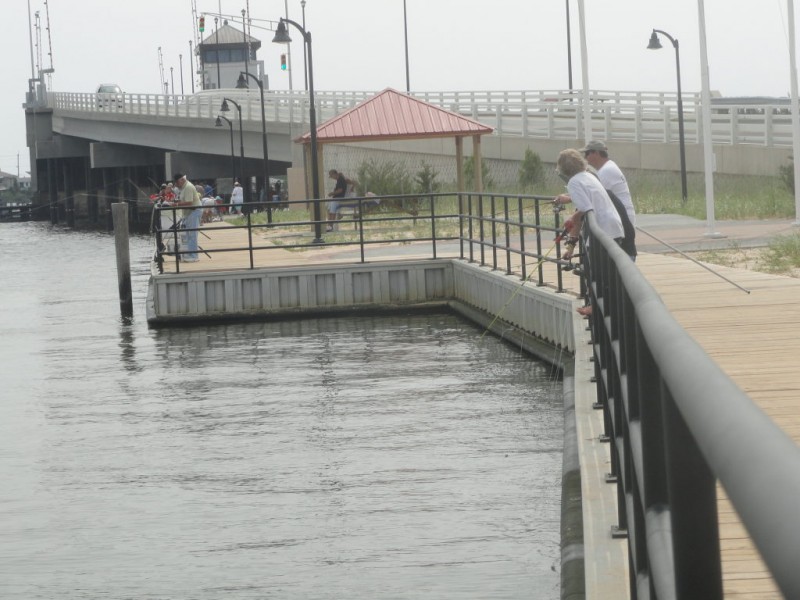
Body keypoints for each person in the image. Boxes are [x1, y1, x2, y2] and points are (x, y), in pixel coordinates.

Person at [554, 149, 624, 315]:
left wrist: (572, 218)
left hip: (602, 230)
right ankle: (605, 308)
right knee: (608, 273)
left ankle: (598, 308)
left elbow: (586, 208)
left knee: (597, 273)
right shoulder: (589, 176)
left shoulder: (574, 183)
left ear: (562, 169)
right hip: (614, 227)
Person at [173, 173, 202, 262]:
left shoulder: (188, 187)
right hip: (188, 213)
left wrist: (176, 204)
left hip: (194, 211)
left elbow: (189, 202)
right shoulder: (183, 187)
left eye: (177, 183)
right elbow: (185, 200)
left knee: (192, 234)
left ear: (181, 180)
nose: (177, 185)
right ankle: (190, 253)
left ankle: (194, 256)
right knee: (188, 234)